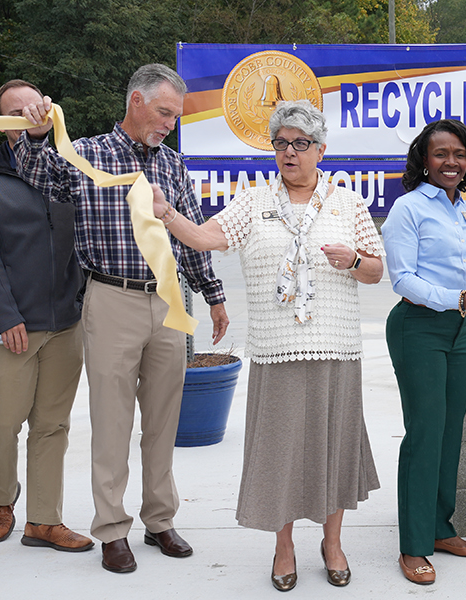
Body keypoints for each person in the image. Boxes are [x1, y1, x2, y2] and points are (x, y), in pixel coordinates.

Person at [154, 100, 383, 591]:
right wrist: (167, 214)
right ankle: (283, 546)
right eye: (281, 143)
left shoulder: (349, 203)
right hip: (277, 349)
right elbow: (205, 238)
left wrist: (352, 260)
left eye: (300, 143)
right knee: (280, 452)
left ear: (321, 150)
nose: (289, 152)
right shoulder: (253, 201)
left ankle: (333, 541)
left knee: (333, 448)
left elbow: (376, 271)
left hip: (336, 348)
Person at [13, 63, 230, 573]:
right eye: (162, 113)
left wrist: (213, 294)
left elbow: (189, 232)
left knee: (163, 421)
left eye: (175, 117)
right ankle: (112, 529)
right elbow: (36, 172)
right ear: (135, 101)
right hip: (112, 299)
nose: (168, 125)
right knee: (112, 421)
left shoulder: (173, 166)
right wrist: (36, 133)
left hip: (169, 303)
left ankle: (160, 521)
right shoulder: (87, 153)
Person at [0, 79, 92, 553]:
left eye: (33, 107)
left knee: (52, 424)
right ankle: (1, 500)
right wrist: (6, 316)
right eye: (14, 111)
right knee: (2, 422)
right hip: (10, 324)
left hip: (65, 322)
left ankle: (44, 520)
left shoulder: (67, 169)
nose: (26, 116)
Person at [381, 119, 466, 585]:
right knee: (425, 434)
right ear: (423, 161)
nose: (452, 162)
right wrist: (456, 299)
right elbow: (403, 279)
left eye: (460, 154)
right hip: (417, 328)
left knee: (450, 433)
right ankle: (413, 546)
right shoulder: (407, 209)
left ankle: (440, 528)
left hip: (457, 331)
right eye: (441, 154)